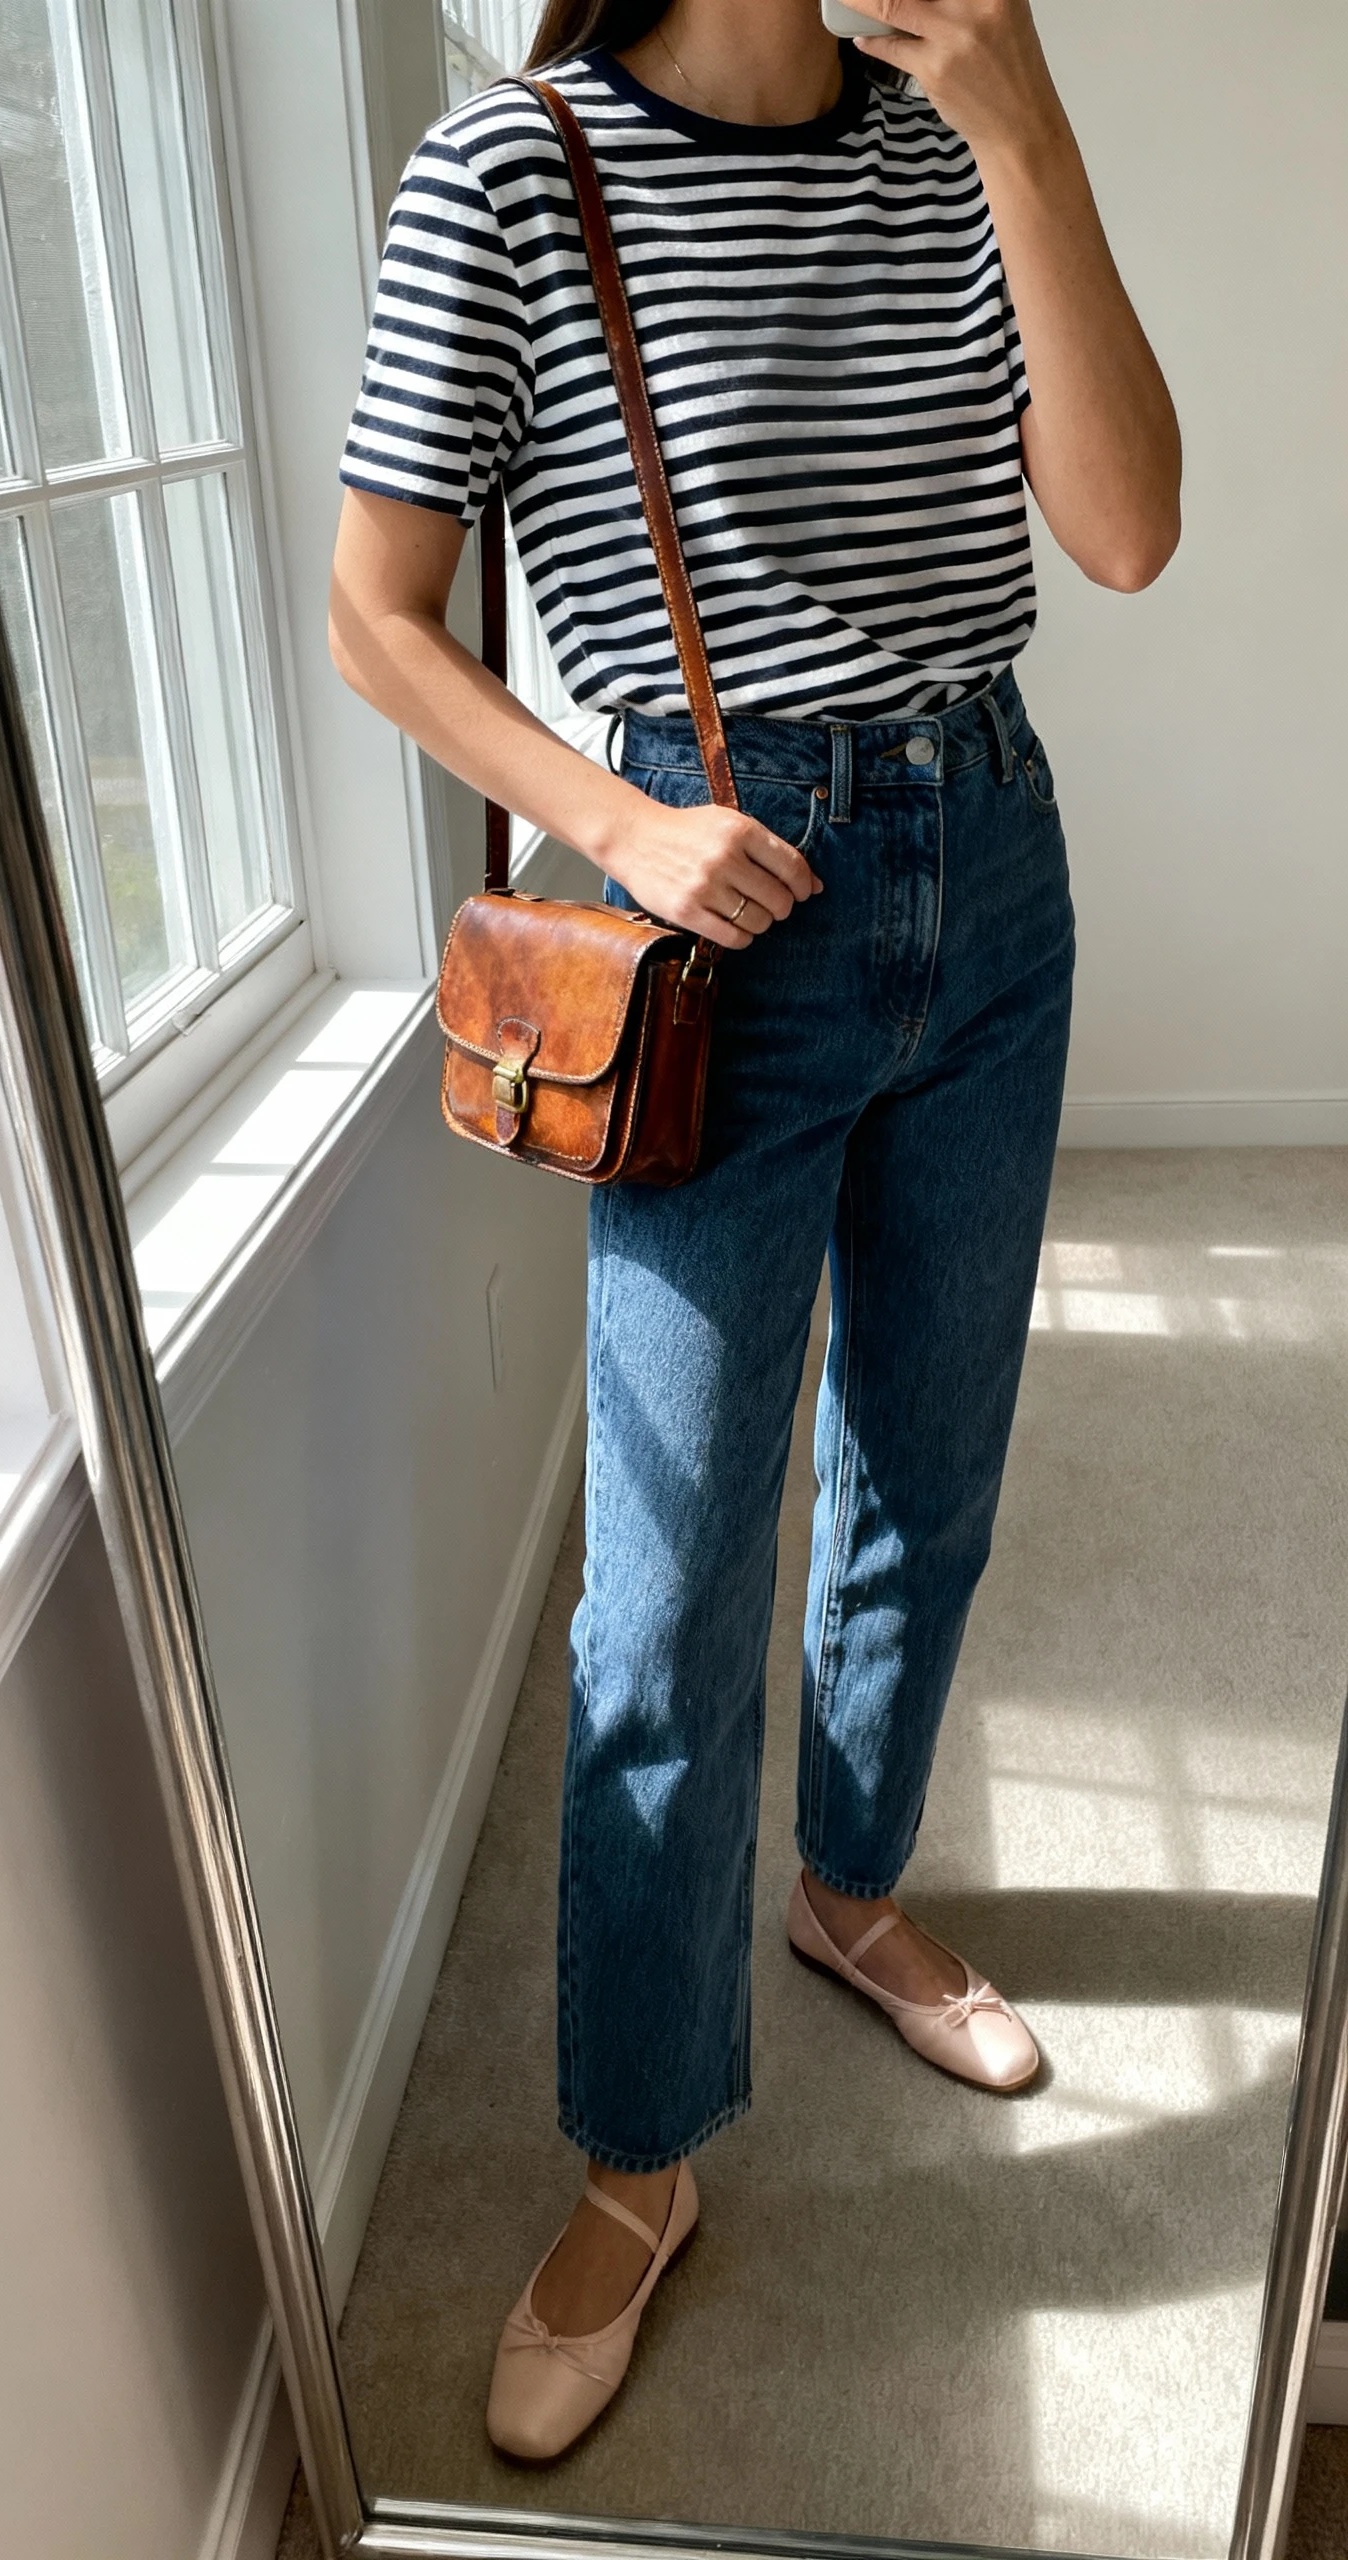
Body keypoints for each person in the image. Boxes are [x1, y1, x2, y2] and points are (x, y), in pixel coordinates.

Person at [329, 0, 1180, 2464]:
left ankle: (853, 1881)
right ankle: (637, 2153)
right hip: (714, 899)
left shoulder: (954, 148)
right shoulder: (513, 171)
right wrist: (617, 823)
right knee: (670, 1582)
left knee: (934, 1455)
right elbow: (379, 609)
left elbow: (1126, 531)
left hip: (990, 865)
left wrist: (1027, 127)